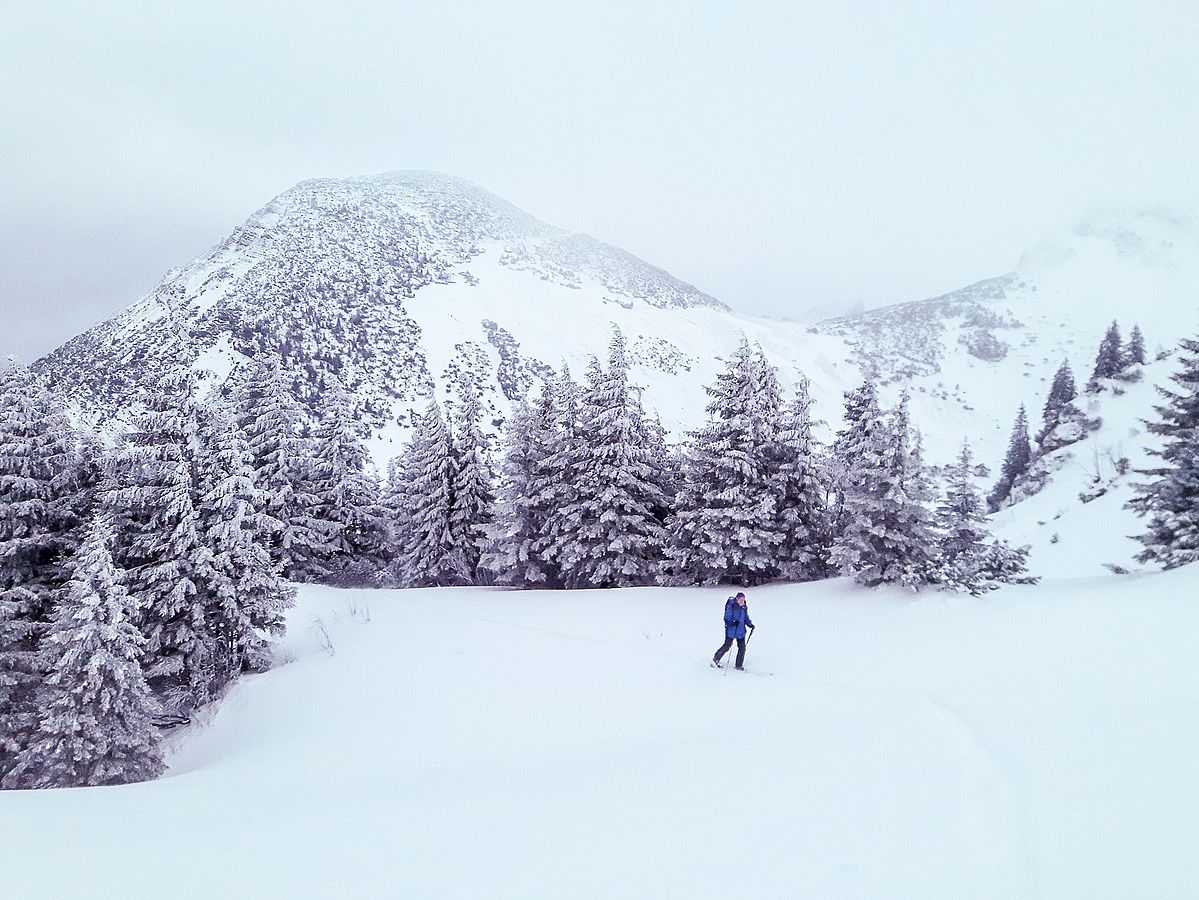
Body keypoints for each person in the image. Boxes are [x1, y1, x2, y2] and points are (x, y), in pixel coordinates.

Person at [712, 591, 754, 670]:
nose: (741, 601)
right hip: (731, 630)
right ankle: (716, 658)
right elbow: (726, 618)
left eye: (743, 599)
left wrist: (750, 624)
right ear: (737, 599)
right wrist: (732, 622)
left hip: (741, 631)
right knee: (727, 646)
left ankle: (738, 665)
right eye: (740, 599)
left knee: (742, 647)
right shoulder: (731, 606)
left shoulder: (744, 607)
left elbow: (745, 617)